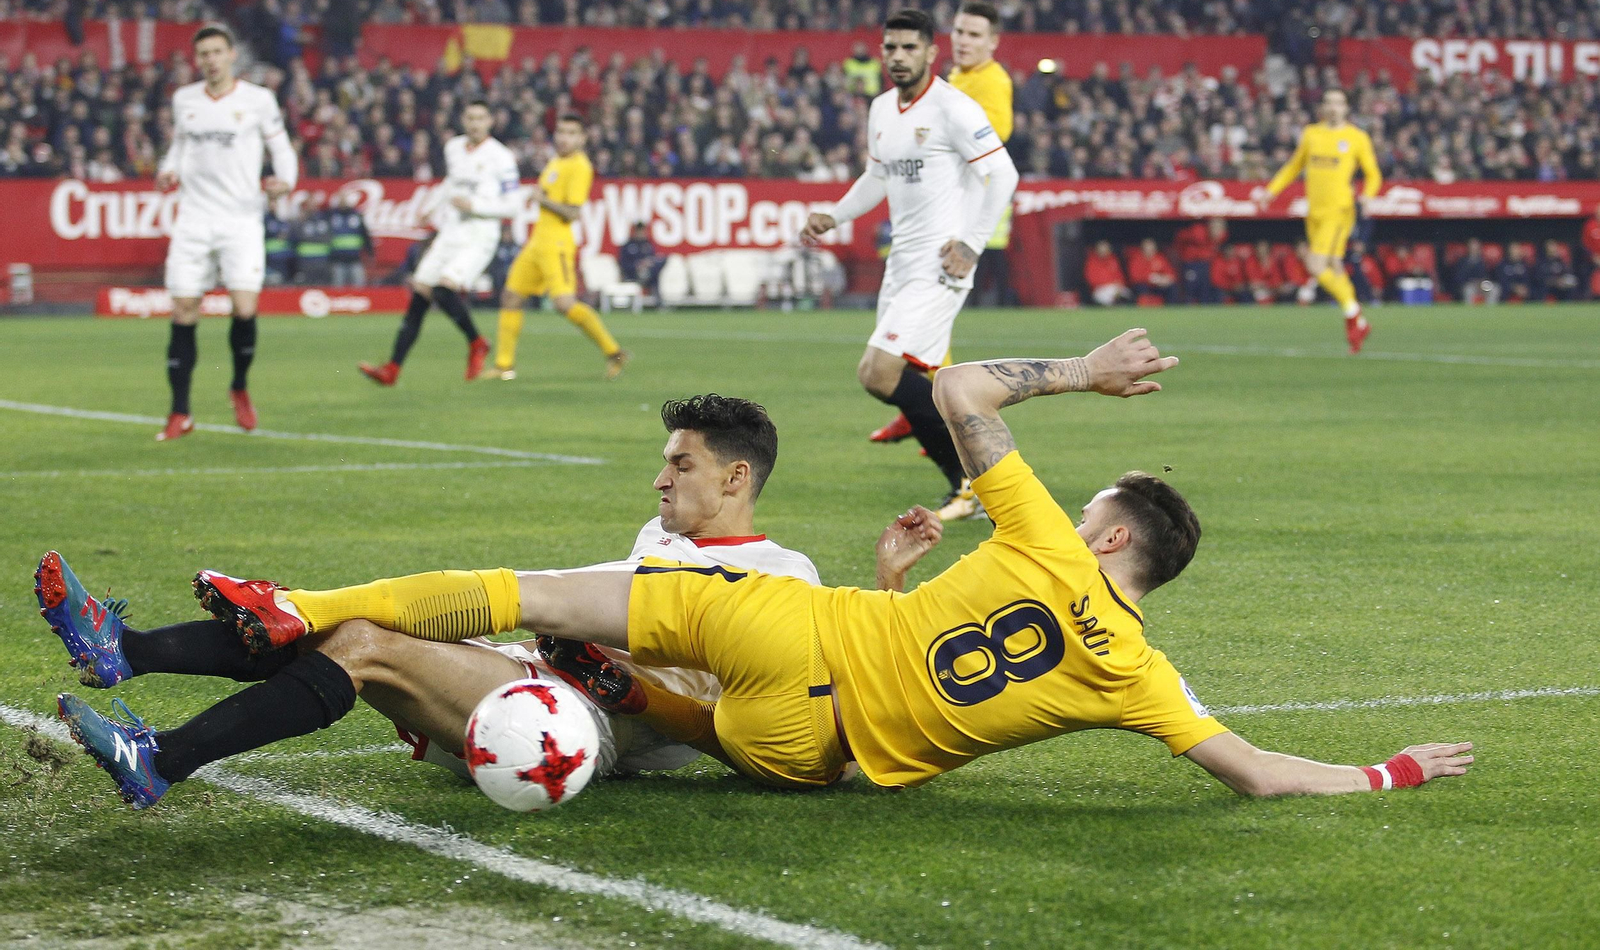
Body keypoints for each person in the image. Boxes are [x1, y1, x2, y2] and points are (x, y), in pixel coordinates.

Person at [170, 329, 1474, 798]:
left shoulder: (1028, 528)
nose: (1076, 518)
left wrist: (1084, 373)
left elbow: (954, 383)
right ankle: (635, 698)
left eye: (1094, 508)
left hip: (799, 637)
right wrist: (1389, 767)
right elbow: (1256, 774)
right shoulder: (1140, 673)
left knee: (537, 594)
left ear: (1114, 532)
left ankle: (315, 606)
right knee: (707, 723)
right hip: (811, 758)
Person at [45, 396, 943, 809]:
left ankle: (160, 758)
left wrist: (888, 587)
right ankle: (121, 649)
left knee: (362, 642)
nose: (662, 476)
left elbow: (820, 691)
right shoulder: (658, 535)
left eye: (683, 464)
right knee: (375, 627)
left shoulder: (781, 570)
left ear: (736, 476)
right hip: (541, 677)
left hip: (587, 730)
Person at [801, 9, 1018, 522]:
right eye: (890, 48)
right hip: (902, 263)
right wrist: (835, 213)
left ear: (929, 53)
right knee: (928, 381)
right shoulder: (881, 109)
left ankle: (974, 479)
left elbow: (1003, 175)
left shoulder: (953, 108)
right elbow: (877, 177)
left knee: (879, 372)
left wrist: (970, 242)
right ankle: (980, 481)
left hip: (941, 264)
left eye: (908, 48)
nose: (898, 57)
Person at [870, 0, 1017, 461]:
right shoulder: (956, 81)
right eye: (959, 32)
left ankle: (936, 412)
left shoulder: (989, 83)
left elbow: (991, 148)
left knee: (928, 323)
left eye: (975, 35)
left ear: (993, 43)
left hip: (966, 221)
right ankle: (920, 404)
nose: (964, 41)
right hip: (949, 219)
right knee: (929, 332)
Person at [153, 25, 297, 441]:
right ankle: (180, 412)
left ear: (232, 55)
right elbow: (180, 147)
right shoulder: (185, 100)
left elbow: (282, 148)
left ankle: (238, 385)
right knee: (183, 312)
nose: (211, 60)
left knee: (245, 308)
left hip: (240, 219)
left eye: (217, 52)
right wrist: (169, 169)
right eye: (204, 54)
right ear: (197, 60)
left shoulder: (258, 100)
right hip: (194, 219)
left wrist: (285, 180)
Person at [358, 100, 514, 387]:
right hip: (451, 230)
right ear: (463, 120)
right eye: (470, 117)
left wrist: (475, 204)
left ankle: (477, 341)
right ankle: (392, 368)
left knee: (444, 287)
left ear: (490, 121)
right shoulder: (454, 147)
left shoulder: (501, 158)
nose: (475, 123)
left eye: (481, 118)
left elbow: (512, 205)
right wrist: (431, 205)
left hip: (479, 234)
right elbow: (452, 183)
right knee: (420, 294)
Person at [488, 114, 628, 382]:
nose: (563, 138)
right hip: (537, 241)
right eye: (561, 132)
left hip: (558, 243)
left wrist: (542, 199)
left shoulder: (580, 167)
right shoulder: (555, 161)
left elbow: (572, 213)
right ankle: (504, 366)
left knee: (564, 303)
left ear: (582, 138)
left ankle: (614, 352)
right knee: (511, 297)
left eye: (571, 133)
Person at [1257, 88, 1381, 353]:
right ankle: (1359, 323)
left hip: (1339, 211)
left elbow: (1373, 174)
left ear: (1346, 108)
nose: (1334, 107)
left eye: (1339, 102)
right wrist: (1271, 190)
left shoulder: (1356, 137)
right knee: (1334, 266)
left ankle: (1352, 315)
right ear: (1323, 108)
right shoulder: (1312, 134)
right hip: (1315, 212)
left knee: (1315, 264)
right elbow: (1294, 166)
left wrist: (1368, 196)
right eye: (1329, 102)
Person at [328, 191, 373, 287]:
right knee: (337, 289)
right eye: (341, 200)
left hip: (355, 259)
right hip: (337, 260)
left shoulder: (356, 216)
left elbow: (364, 234)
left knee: (359, 288)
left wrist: (370, 252)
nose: (343, 202)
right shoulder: (331, 216)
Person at [617, 221, 665, 294]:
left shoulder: (648, 245)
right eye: (639, 231)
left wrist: (648, 263)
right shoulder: (627, 246)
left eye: (643, 231)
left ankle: (658, 301)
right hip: (632, 275)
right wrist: (637, 265)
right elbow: (623, 263)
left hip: (648, 273)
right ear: (635, 231)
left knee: (656, 274)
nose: (642, 233)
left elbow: (654, 258)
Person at [1126, 237, 1176, 305]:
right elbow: (1134, 277)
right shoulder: (1137, 259)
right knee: (1141, 287)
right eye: (1147, 247)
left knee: (1172, 287)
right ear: (1143, 248)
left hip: (1158, 285)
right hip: (1144, 285)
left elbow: (1171, 274)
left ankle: (1171, 309)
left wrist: (1164, 279)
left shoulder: (1160, 258)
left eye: (1152, 247)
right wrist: (1150, 278)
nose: (1150, 250)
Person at [292, 202, 332, 286]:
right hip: (305, 262)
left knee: (322, 286)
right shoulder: (300, 223)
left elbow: (328, 238)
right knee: (306, 285)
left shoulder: (322, 222)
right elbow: (294, 238)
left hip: (322, 261)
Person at [1084, 240, 1130, 305]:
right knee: (1108, 299)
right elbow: (1091, 280)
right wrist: (1109, 283)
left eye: (1105, 248)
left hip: (1115, 287)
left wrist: (1119, 283)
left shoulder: (1113, 260)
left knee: (1127, 294)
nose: (1103, 251)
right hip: (1100, 289)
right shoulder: (1092, 262)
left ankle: (1121, 303)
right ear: (1097, 250)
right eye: (1101, 249)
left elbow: (1120, 276)